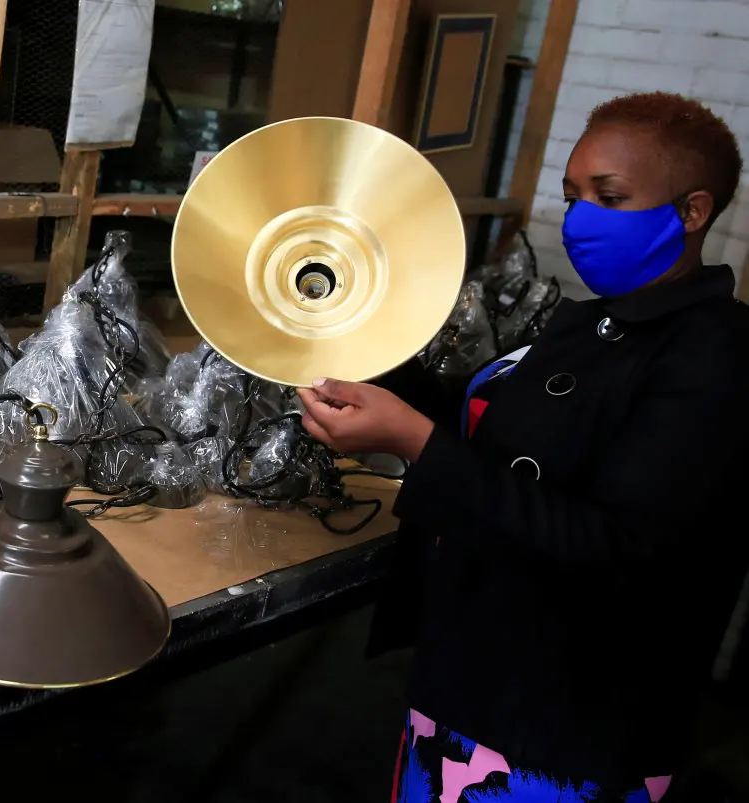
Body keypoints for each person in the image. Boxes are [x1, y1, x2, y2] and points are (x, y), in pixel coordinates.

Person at [298, 91, 749, 802]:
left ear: (693, 212)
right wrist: (375, 353)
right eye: (573, 195)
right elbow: (495, 443)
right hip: (470, 682)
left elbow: (617, 546)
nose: (581, 220)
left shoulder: (716, 357)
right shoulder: (588, 326)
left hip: (563, 731)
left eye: (611, 196)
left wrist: (412, 441)